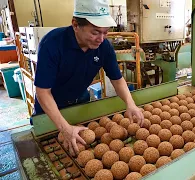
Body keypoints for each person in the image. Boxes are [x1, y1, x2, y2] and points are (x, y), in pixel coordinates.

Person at [34, 0, 144, 156]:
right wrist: (65, 128)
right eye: (95, 32)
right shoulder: (52, 44)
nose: (101, 38)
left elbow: (117, 79)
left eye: (105, 32)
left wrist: (130, 103)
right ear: (75, 25)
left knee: (82, 148)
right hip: (51, 109)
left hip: (81, 103)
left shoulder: (104, 46)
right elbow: (43, 92)